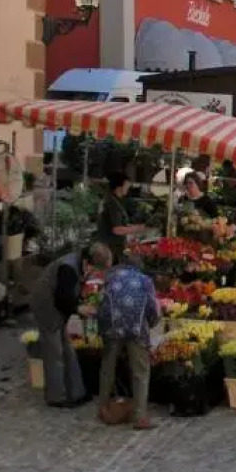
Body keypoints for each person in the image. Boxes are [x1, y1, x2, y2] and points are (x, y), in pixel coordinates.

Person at [30, 242, 111, 408]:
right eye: (98, 270)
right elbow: (62, 298)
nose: (97, 274)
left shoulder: (79, 264)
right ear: (90, 263)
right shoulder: (68, 268)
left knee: (68, 349)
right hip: (47, 305)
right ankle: (57, 397)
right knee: (55, 352)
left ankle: (76, 392)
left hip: (57, 304)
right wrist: (78, 308)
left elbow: (70, 295)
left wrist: (78, 304)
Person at [97, 252, 159, 430]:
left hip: (112, 326)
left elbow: (102, 303)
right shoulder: (145, 281)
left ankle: (103, 408)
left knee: (107, 366)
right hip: (135, 327)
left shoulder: (111, 277)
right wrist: (151, 325)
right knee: (140, 370)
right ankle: (140, 417)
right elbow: (152, 309)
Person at [97, 171, 144, 260]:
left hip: (113, 248)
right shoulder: (111, 203)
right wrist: (141, 228)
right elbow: (117, 229)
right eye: (126, 185)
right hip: (110, 250)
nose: (128, 187)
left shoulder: (113, 200)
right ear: (119, 187)